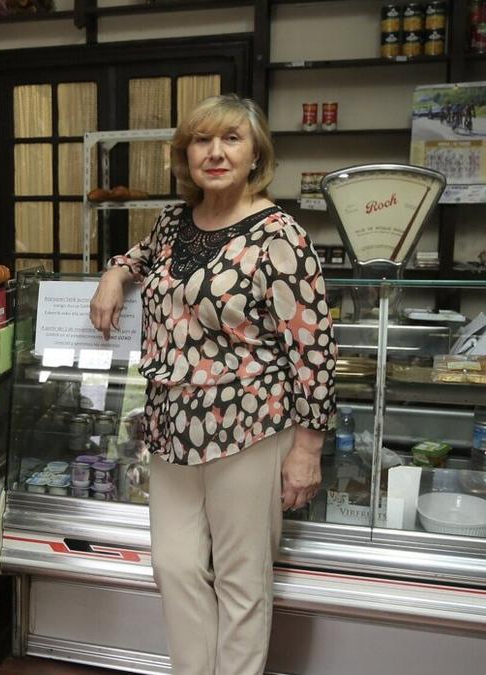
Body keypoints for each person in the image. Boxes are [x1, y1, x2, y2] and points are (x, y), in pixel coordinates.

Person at [89, 94, 337, 675]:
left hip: (249, 425)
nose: (216, 152)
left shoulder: (280, 236)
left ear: (256, 155)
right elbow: (142, 257)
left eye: (232, 139)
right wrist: (112, 274)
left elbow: (315, 349)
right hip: (172, 426)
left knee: (241, 580)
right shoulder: (176, 221)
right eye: (202, 141)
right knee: (173, 566)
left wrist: (307, 449)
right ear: (186, 155)